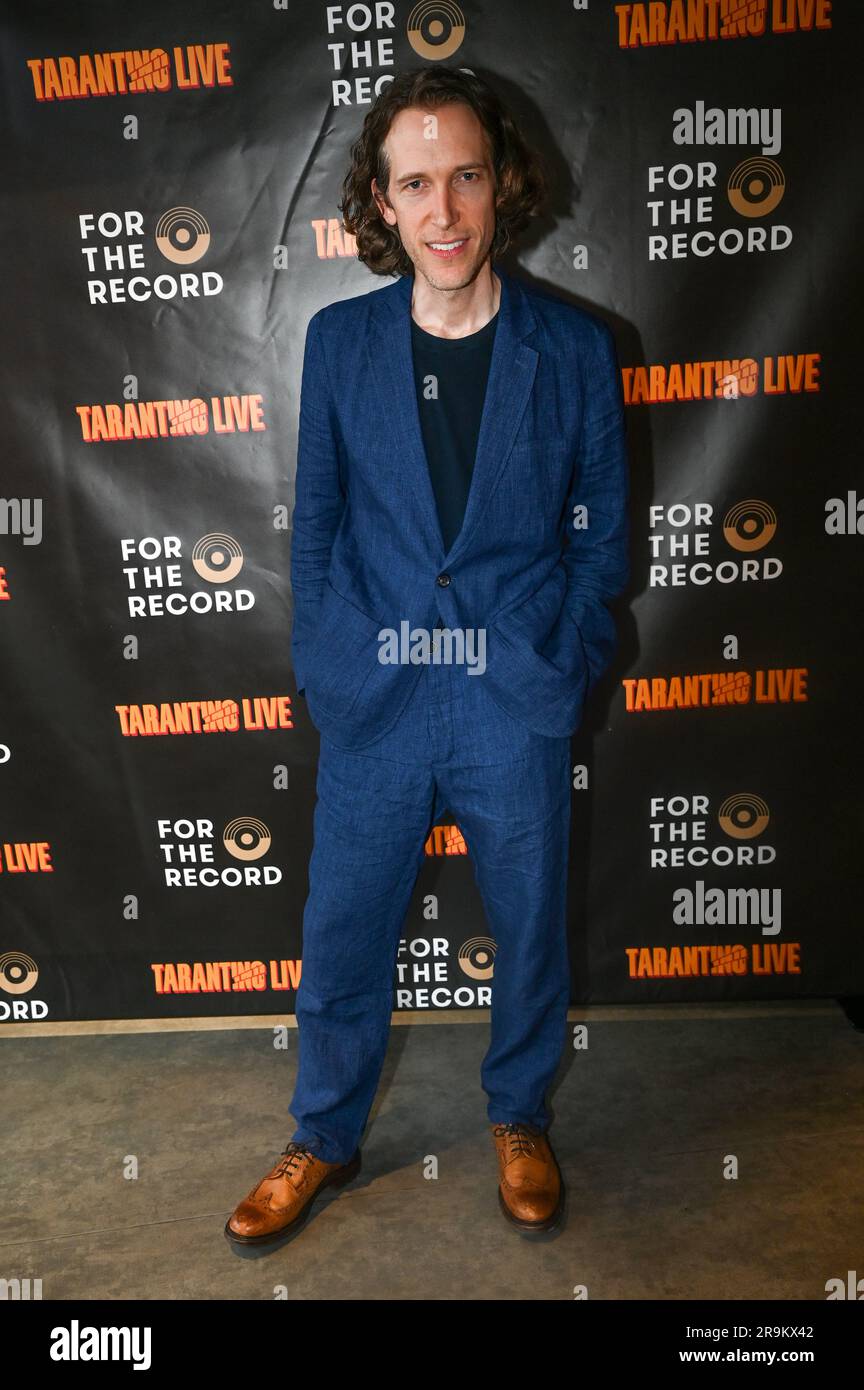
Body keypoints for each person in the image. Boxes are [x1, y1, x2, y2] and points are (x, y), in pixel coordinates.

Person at [225, 65, 630, 1256]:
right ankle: (325, 1132)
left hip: (515, 694)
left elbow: (603, 534)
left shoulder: (575, 348)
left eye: (463, 176)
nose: (443, 209)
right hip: (379, 696)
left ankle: (518, 1113)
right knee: (342, 926)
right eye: (415, 183)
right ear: (383, 205)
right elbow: (321, 525)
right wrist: (329, 668)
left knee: (531, 920)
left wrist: (566, 649)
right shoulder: (340, 341)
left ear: (501, 185)